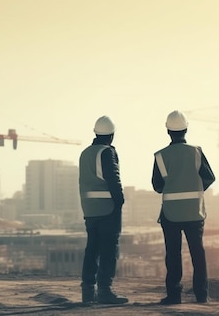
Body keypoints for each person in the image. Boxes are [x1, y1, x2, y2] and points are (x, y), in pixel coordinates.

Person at [151, 110, 216, 305]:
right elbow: (209, 177)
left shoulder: (160, 156)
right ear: (186, 129)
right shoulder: (196, 152)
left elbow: (157, 186)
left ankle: (174, 295)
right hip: (194, 212)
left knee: (173, 253)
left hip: (171, 214)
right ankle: (201, 295)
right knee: (198, 252)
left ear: (168, 131)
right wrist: (195, 188)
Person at [78, 115, 129, 304]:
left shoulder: (85, 153)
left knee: (92, 249)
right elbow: (113, 179)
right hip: (108, 209)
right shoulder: (107, 152)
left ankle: (88, 291)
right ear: (112, 135)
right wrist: (120, 201)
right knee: (109, 250)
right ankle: (105, 291)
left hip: (90, 210)